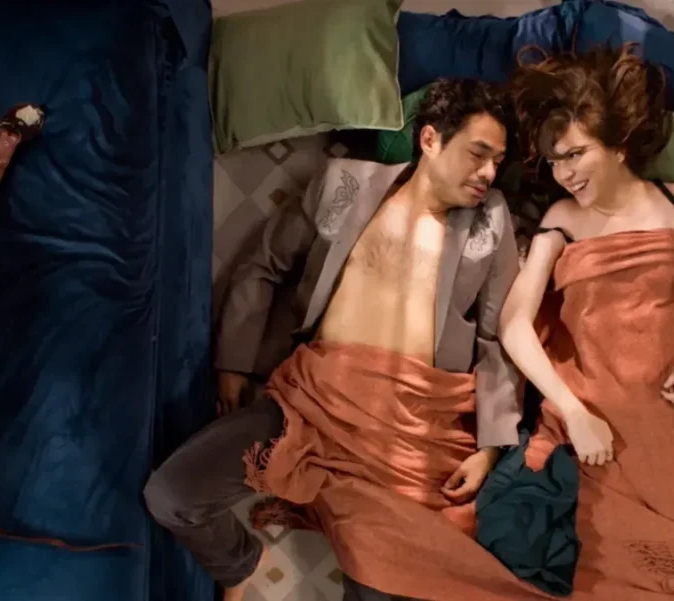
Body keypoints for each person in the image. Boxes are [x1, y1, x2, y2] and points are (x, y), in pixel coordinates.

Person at [143, 80, 542, 601]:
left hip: (412, 437)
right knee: (172, 495)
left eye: (498, 161)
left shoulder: (491, 221)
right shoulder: (344, 184)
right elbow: (263, 267)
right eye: (478, 153)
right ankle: (240, 563)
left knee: (383, 588)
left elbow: (495, 339)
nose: (489, 172)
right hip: (311, 408)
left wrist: (490, 448)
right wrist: (233, 364)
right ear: (429, 140)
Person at [498, 44, 674, 599]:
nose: (564, 174)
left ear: (616, 143)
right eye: (554, 161)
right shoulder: (562, 220)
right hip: (595, 441)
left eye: (575, 154)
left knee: (668, 582)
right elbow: (515, 324)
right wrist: (573, 411)